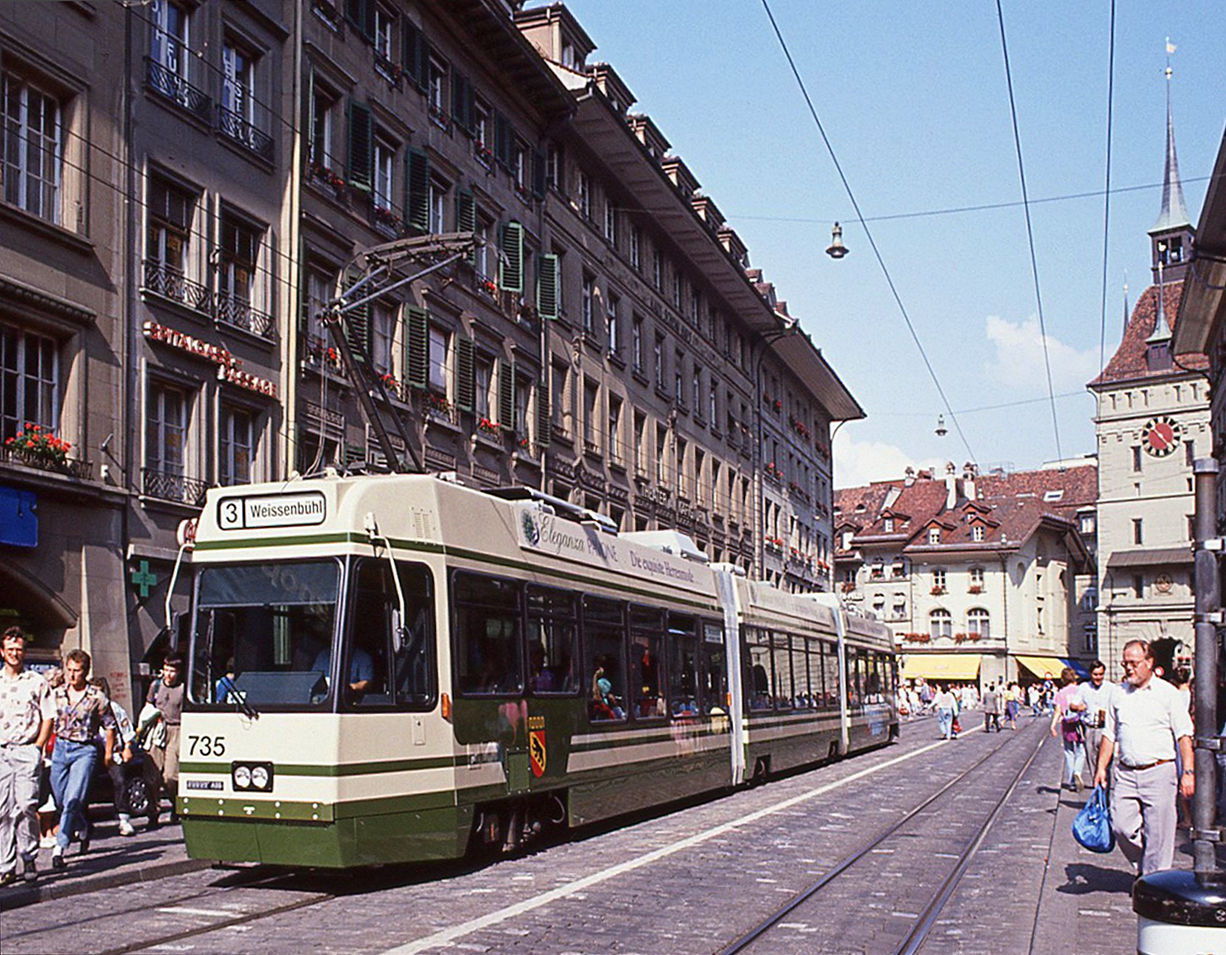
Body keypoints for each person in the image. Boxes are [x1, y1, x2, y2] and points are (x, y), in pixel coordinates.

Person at [1094, 639, 1195, 877]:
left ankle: (1152, 883)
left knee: (1160, 833)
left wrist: (1188, 772)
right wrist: (1101, 768)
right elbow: (1110, 734)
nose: (1128, 668)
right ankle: (1146, 863)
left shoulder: (1167, 693)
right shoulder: (1118, 694)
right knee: (1121, 826)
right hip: (1125, 773)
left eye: (1134, 663)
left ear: (1149, 663)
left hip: (1160, 772)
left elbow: (1184, 736)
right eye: (1125, 663)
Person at [49, 649, 116, 868]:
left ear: (85, 672)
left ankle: (59, 849)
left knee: (72, 798)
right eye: (69, 670)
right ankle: (83, 825)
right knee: (60, 798)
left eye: (77, 671)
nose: (72, 675)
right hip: (60, 748)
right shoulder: (57, 693)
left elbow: (110, 725)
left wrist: (108, 752)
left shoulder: (96, 696)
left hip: (84, 750)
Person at [0, 627, 55, 885]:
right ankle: (6, 865)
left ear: (24, 652)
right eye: (10, 650)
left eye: (19, 650)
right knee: (2, 811)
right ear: (2, 652)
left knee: (25, 805)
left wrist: (37, 747)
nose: (15, 654)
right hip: (1, 752)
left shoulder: (36, 681)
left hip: (26, 750)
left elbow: (48, 717)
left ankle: (29, 855)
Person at [89, 677, 138, 837]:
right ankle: (84, 823)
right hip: (92, 752)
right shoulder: (86, 708)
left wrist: (128, 748)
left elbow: (126, 729)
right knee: (84, 784)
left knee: (119, 781)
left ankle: (123, 818)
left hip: (113, 752)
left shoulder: (113, 708)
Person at [142, 654, 185, 829]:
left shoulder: (184, 689)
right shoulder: (156, 686)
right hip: (157, 730)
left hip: (176, 729)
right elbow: (148, 706)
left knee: (170, 776)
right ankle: (153, 812)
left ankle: (176, 804)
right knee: (152, 776)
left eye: (172, 671)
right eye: (166, 670)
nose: (168, 674)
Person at [1077, 660, 1115, 789]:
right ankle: (1097, 794)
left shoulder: (1111, 688)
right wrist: (1077, 707)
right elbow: (1073, 704)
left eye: (1101, 674)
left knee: (1106, 765)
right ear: (1090, 674)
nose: (1098, 677)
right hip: (1090, 729)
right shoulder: (1083, 687)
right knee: (1092, 764)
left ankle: (1106, 796)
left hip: (1106, 730)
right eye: (1095, 674)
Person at [1050, 667, 1087, 791]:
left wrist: (1053, 726)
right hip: (1079, 724)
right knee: (1081, 751)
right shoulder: (1080, 690)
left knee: (1069, 752)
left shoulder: (1061, 693)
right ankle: (1077, 771)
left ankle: (1071, 781)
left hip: (1067, 724)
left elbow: (1058, 710)